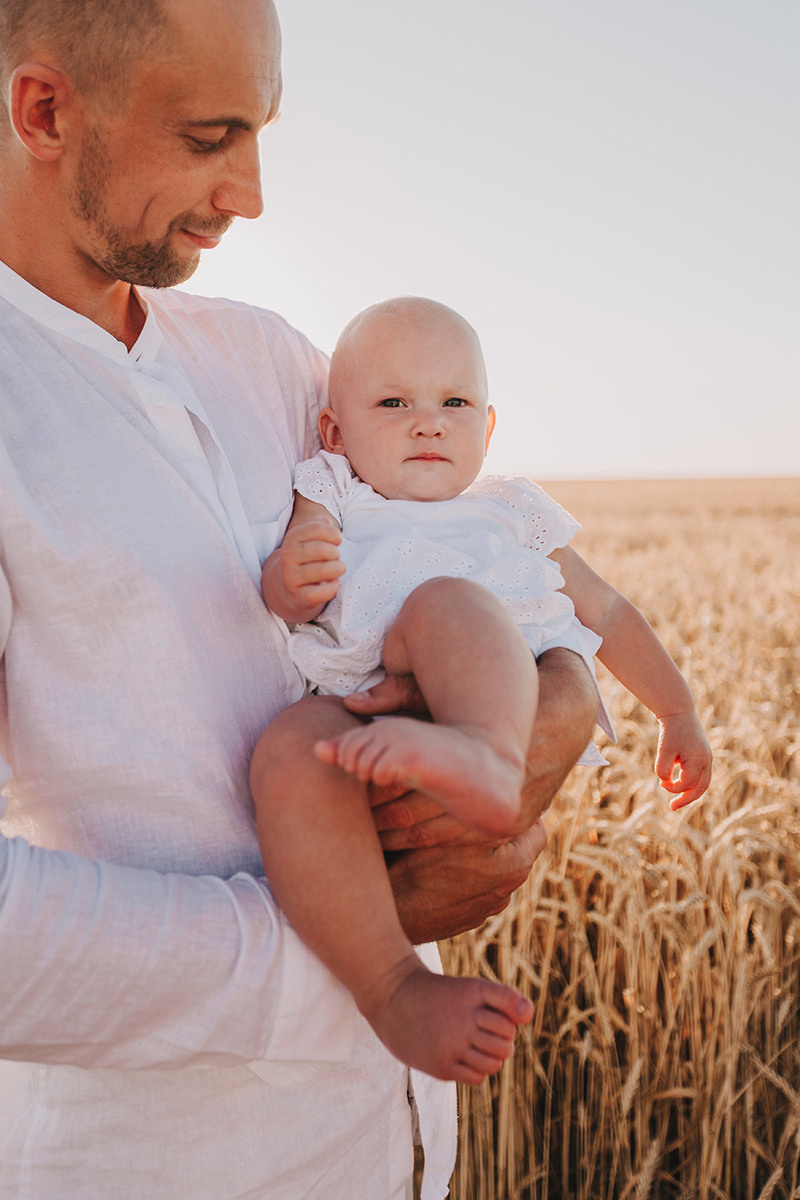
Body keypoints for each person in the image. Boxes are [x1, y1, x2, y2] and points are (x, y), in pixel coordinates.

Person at [0, 1, 601, 1197]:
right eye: (212, 136)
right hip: (169, 1163)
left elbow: (477, 563)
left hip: (404, 1147)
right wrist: (352, 955)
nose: (253, 196)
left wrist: (564, 709)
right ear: (44, 111)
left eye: (261, 134)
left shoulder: (273, 360)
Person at [252, 295, 713, 1085]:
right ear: (335, 432)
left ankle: (487, 755)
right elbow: (289, 584)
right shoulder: (332, 490)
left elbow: (604, 611)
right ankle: (393, 985)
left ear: (488, 428)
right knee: (289, 750)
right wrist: (289, 582)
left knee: (446, 601)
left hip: (484, 692)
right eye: (393, 403)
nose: (427, 422)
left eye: (454, 403)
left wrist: (676, 708)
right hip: (366, 694)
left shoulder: (507, 513)